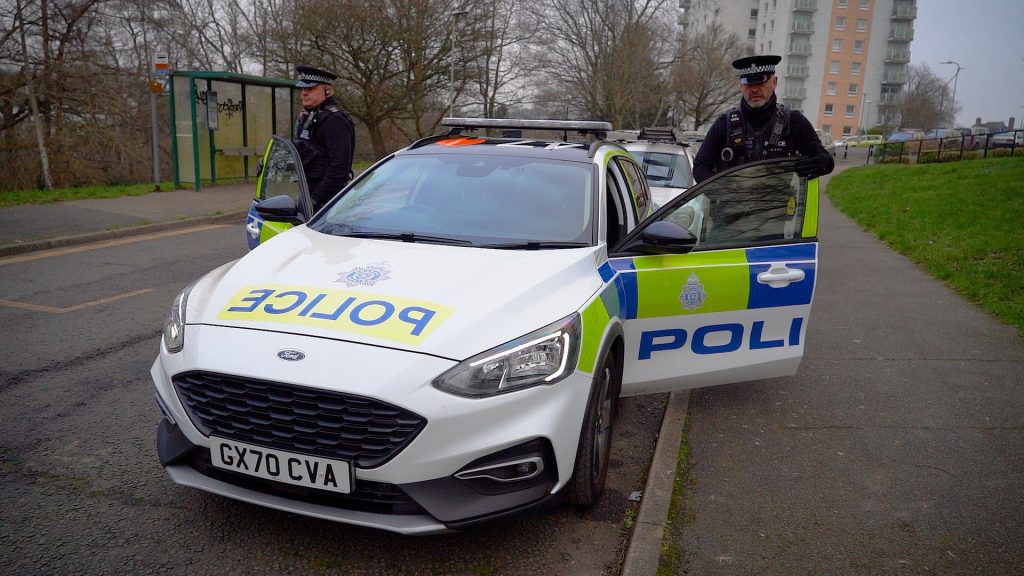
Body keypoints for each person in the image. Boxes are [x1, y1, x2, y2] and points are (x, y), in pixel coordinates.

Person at [692, 54, 834, 183]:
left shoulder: (793, 122)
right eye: (749, 84)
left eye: (760, 82)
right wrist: (721, 192)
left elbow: (826, 160)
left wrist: (821, 162)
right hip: (733, 203)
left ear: (774, 82)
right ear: (741, 86)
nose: (754, 90)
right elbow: (700, 167)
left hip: (778, 203)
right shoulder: (724, 124)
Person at [293, 65, 356, 212]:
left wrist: (315, 200)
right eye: (303, 89)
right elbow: (302, 153)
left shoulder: (335, 120)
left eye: (311, 88)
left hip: (329, 200)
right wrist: (270, 161)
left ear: (327, 91)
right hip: (309, 192)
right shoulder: (307, 117)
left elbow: (339, 168)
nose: (304, 93)